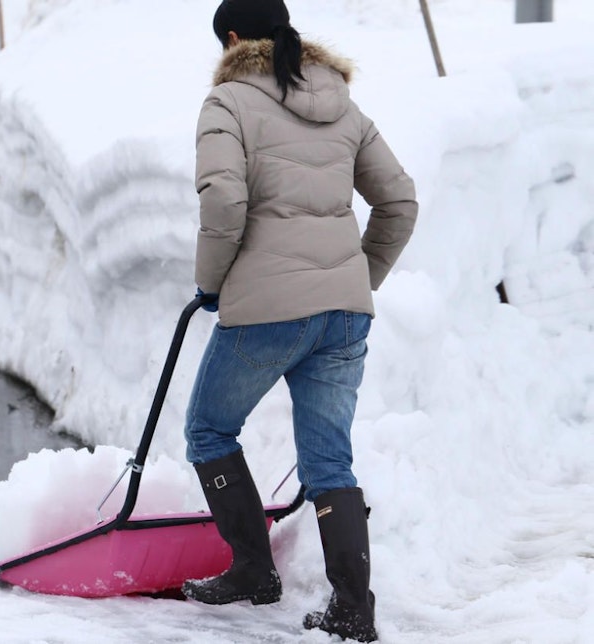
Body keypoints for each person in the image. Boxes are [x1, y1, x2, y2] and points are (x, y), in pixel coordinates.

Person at [181, 1, 418, 642]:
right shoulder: (342, 103)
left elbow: (224, 199)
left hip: (268, 312)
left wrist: (211, 285)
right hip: (343, 316)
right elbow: (399, 200)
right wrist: (355, 279)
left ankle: (253, 572)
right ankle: (353, 608)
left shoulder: (227, 102)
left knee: (208, 430)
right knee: (330, 463)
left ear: (233, 39)